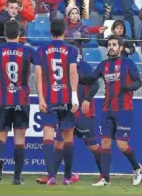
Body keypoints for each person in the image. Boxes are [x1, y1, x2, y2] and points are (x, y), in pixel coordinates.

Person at [80, 34, 142, 187]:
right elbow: (90, 79)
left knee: (122, 145)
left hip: (124, 110)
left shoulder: (128, 63)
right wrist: (75, 77)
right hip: (107, 110)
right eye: (109, 45)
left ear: (121, 47)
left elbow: (138, 81)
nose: (111, 47)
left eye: (114, 44)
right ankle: (105, 179)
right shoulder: (103, 65)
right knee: (105, 143)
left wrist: (128, 87)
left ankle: (137, 168)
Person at [0, 20, 36, 185]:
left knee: (0, 136)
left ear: (4, 33)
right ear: (20, 33)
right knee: (20, 139)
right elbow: (41, 70)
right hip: (22, 100)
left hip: (3, 100)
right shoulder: (27, 50)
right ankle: (17, 178)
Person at [35, 56, 101, 185]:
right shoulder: (61, 68)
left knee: (93, 146)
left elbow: (96, 84)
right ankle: (51, 176)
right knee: (58, 144)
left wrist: (87, 99)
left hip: (83, 113)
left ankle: (104, 174)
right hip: (67, 112)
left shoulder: (84, 66)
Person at [34, 18, 80, 186]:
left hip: (49, 99)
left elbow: (39, 76)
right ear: (65, 31)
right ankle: (67, 177)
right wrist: (75, 96)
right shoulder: (72, 50)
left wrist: (40, 99)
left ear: (50, 31)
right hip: (66, 99)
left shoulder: (40, 51)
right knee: (68, 136)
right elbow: (73, 73)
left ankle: (51, 176)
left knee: (48, 136)